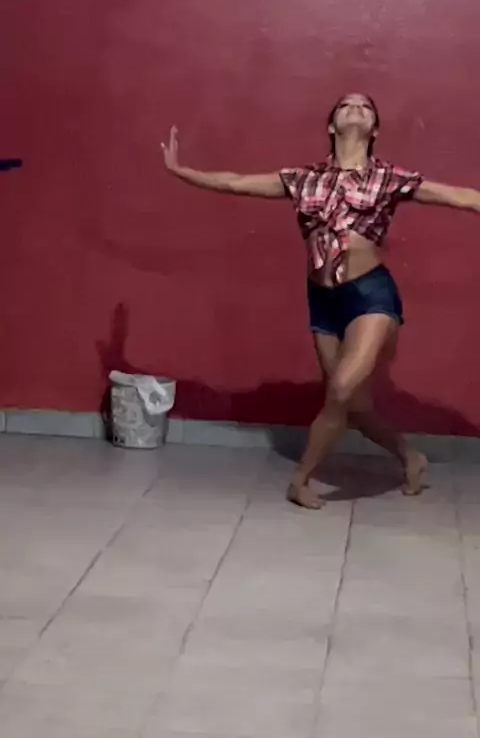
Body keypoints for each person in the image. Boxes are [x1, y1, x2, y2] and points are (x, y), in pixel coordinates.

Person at [161, 93, 480, 509]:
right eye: (346, 105)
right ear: (331, 125)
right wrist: (181, 171)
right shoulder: (303, 179)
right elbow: (236, 182)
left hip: (371, 294)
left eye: (366, 107)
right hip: (323, 300)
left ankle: (301, 479)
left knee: (343, 388)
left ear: (375, 130)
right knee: (354, 405)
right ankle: (410, 457)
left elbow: (462, 197)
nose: (356, 108)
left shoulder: (389, 178)